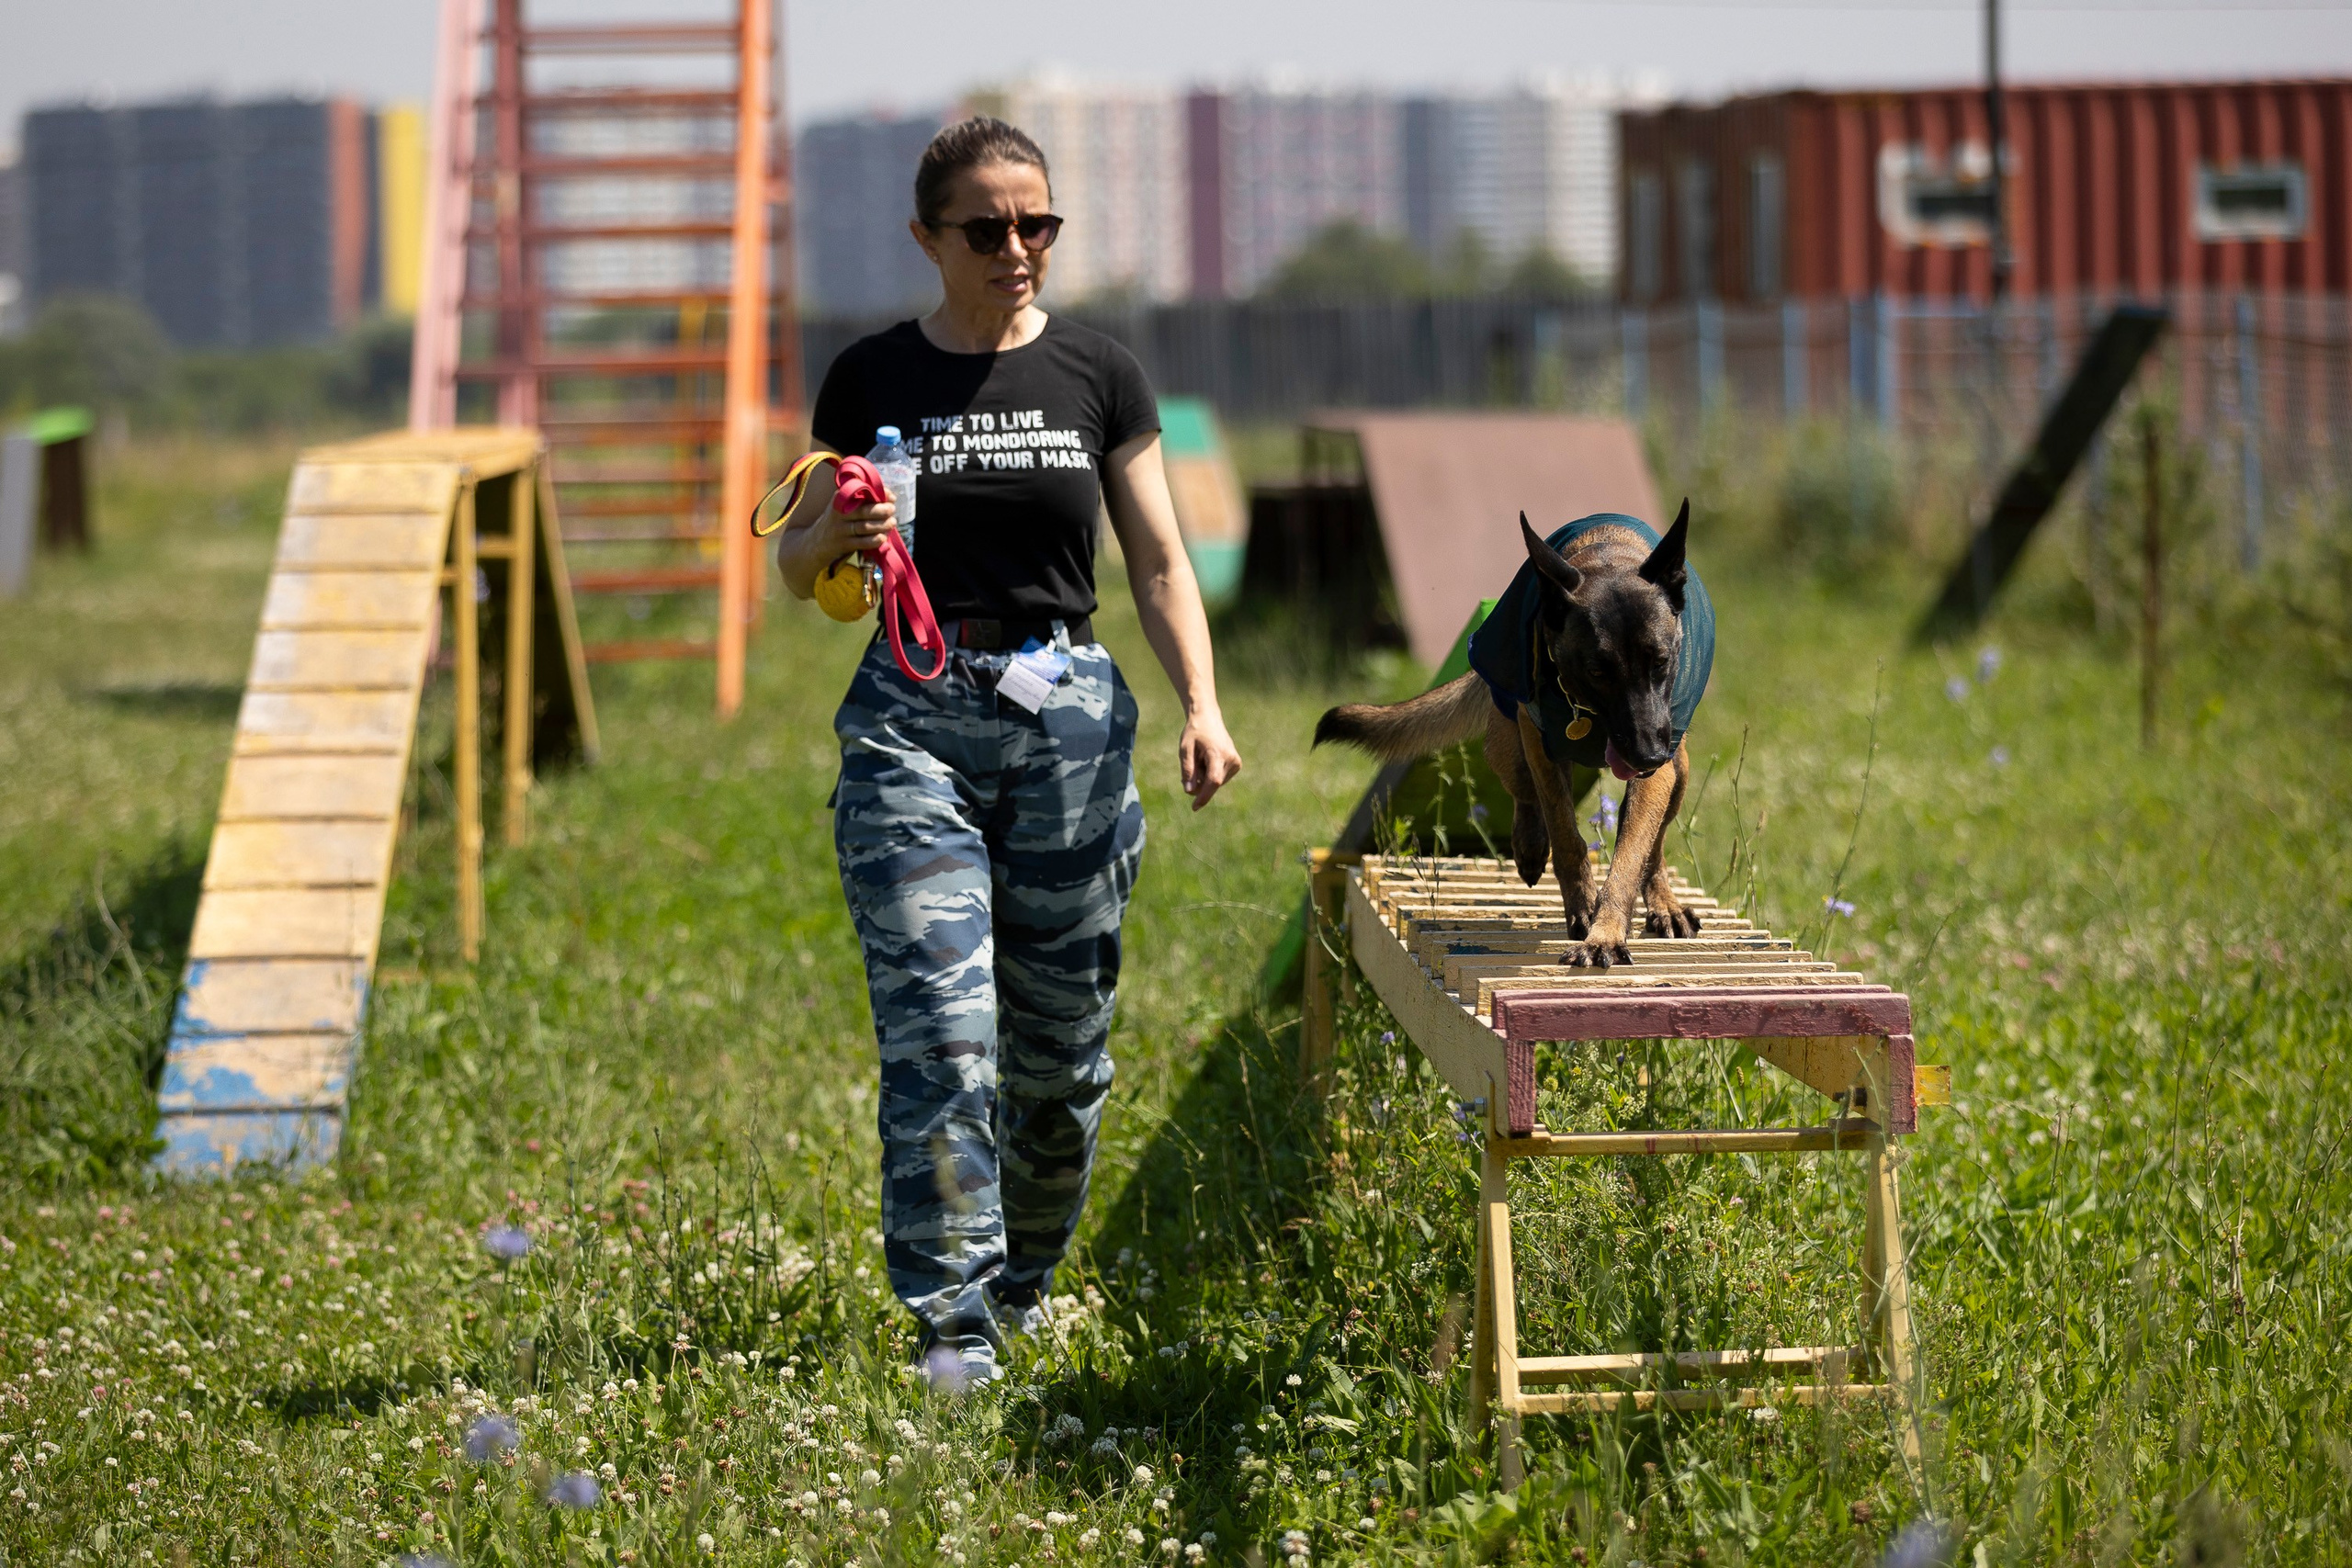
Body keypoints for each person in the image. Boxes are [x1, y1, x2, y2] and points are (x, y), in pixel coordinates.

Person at [768, 117, 1242, 1385]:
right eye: (988, 229)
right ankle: (954, 1322)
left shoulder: (1102, 372)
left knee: (1061, 1053)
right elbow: (795, 560)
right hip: (914, 711)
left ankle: (1024, 1277)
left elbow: (1153, 561)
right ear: (928, 239)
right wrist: (839, 532)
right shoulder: (870, 379)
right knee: (943, 1030)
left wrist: (1202, 701)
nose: (1018, 248)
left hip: (1069, 715)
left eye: (1038, 225)